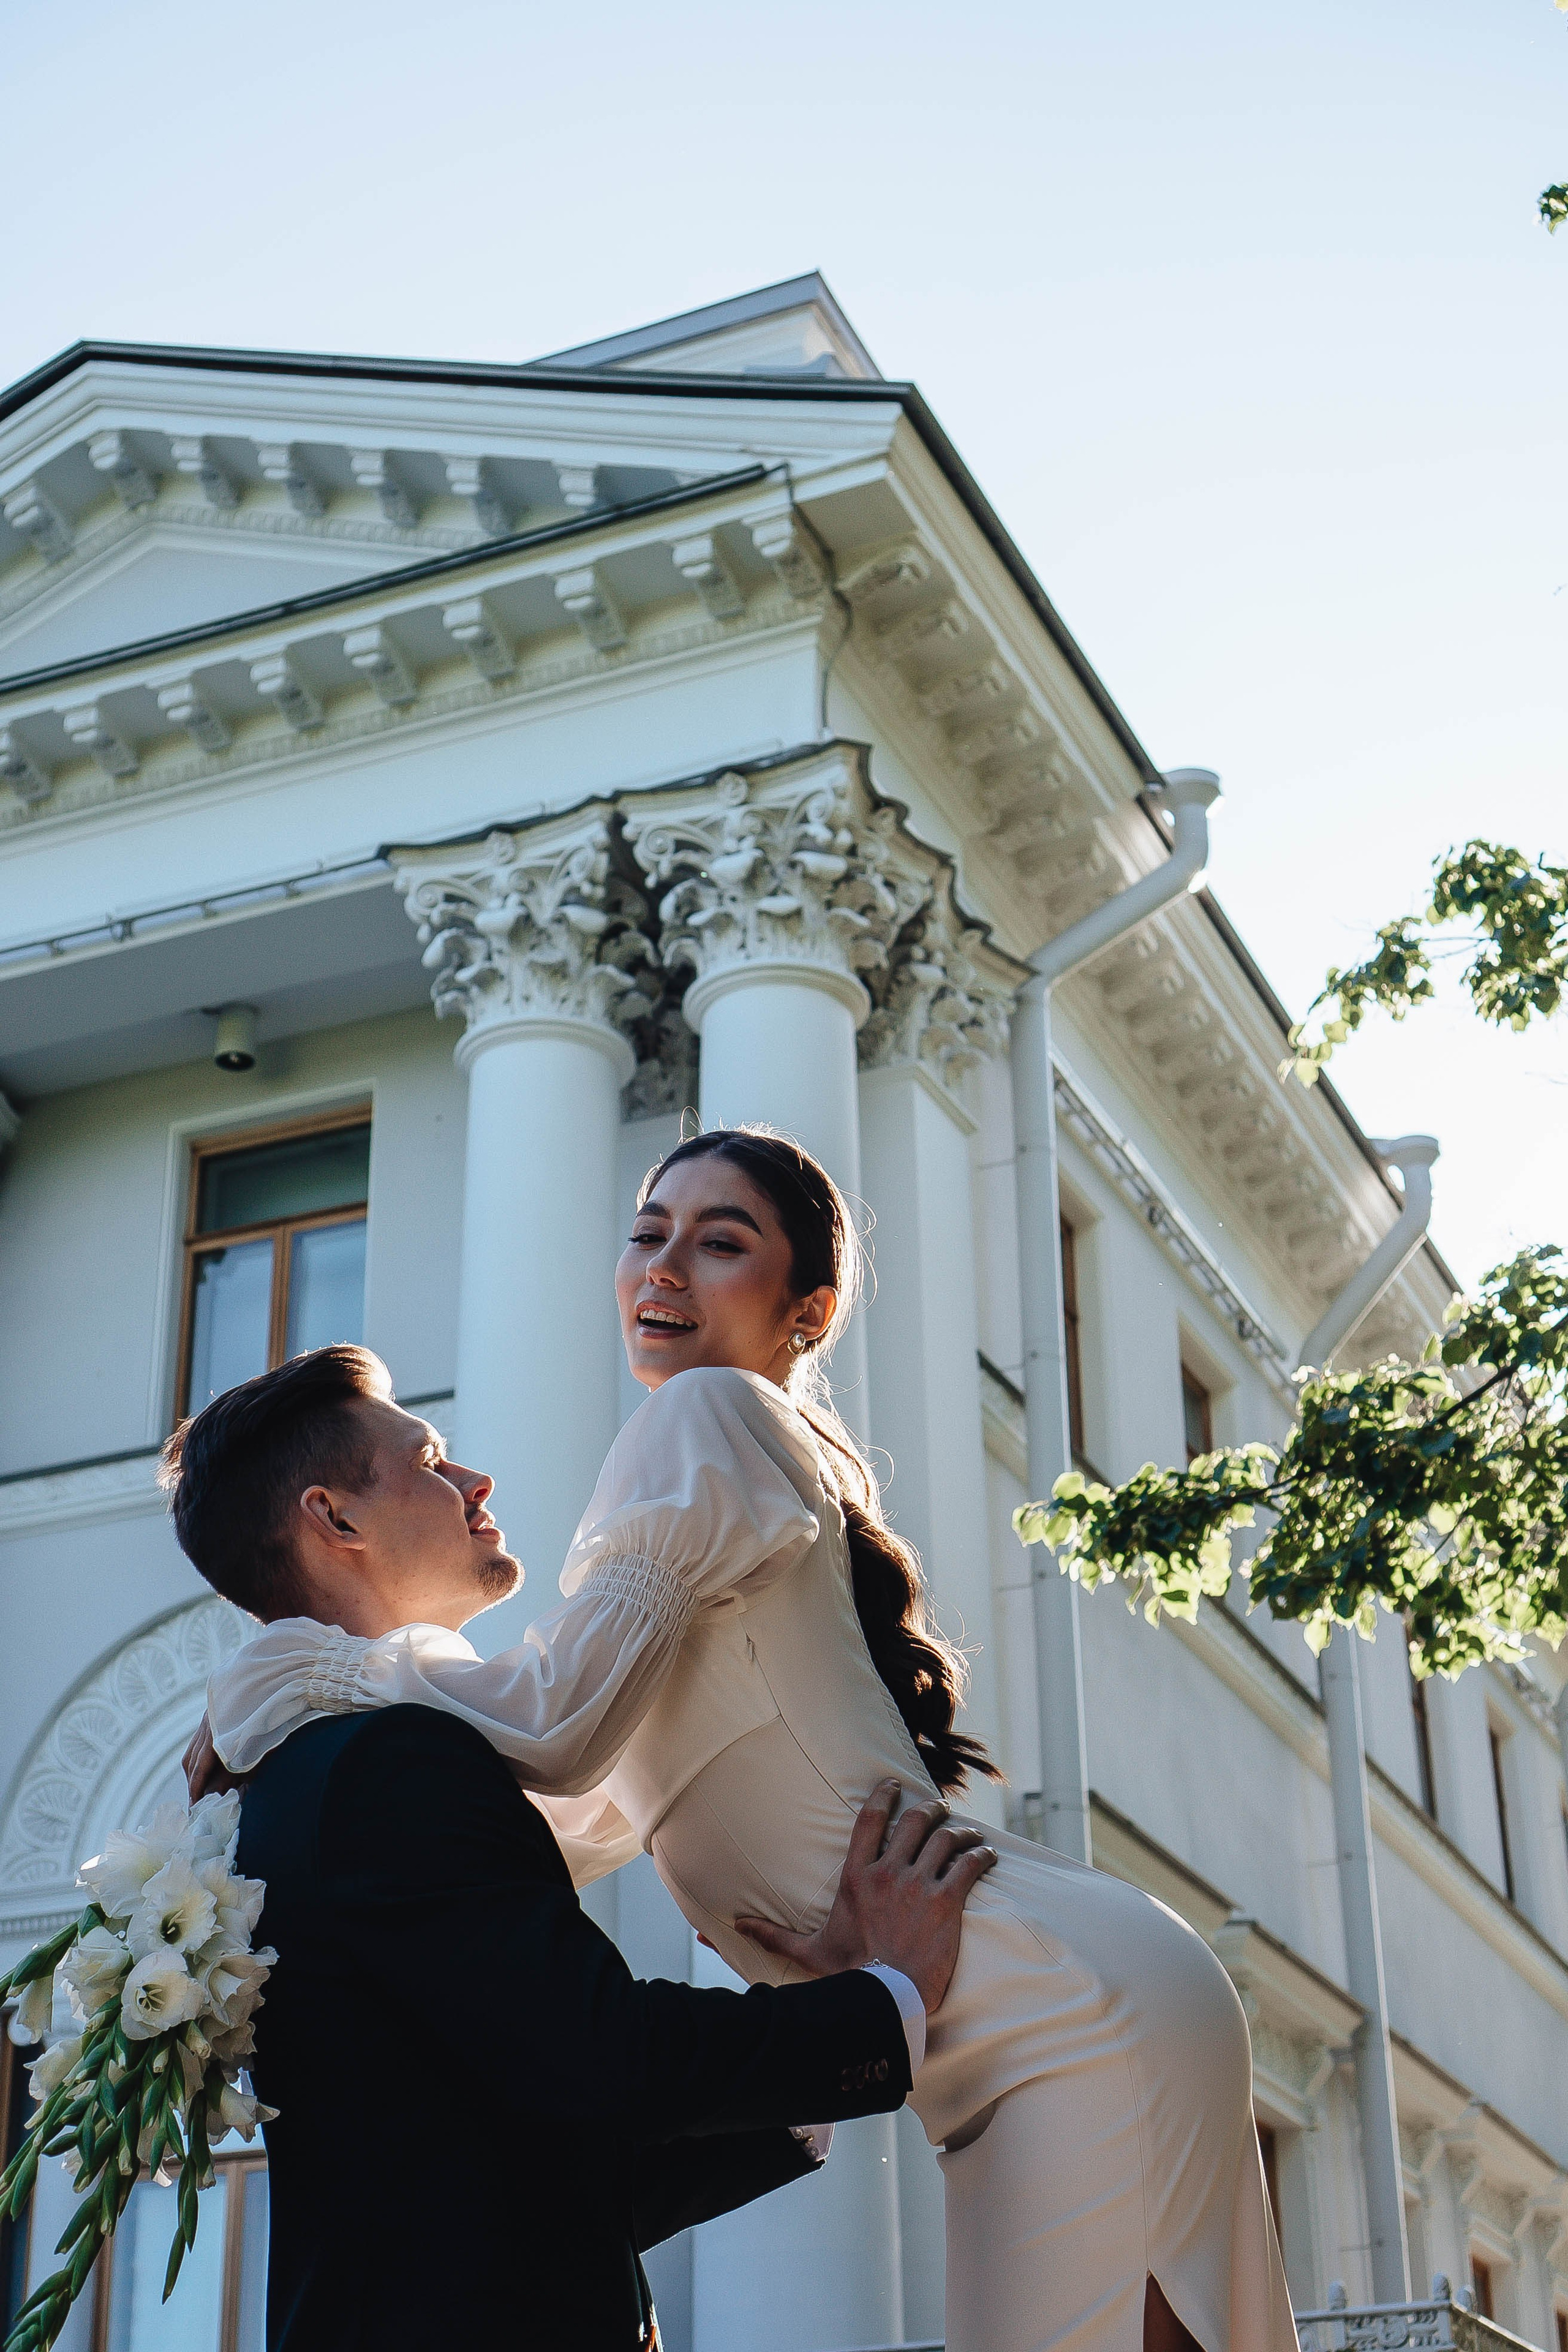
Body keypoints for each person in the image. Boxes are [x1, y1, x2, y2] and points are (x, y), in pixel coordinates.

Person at [197, 1130, 1298, 2352]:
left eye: (719, 1242)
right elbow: (518, 1839)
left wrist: (283, 1678)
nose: (663, 1265)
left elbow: (548, 1736)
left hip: (1061, 2009)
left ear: (804, 1310)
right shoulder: (707, 1473)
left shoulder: (704, 1416)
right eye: (646, 1232)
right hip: (1045, 2005)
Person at [162, 1349, 997, 2352]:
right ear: (335, 1519)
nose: (475, 1482)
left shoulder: (319, 1766)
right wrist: (888, 1996)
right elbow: (606, 2059)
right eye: (429, 1461)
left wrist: (814, 2038)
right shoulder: (385, 1763)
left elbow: (516, 2164)